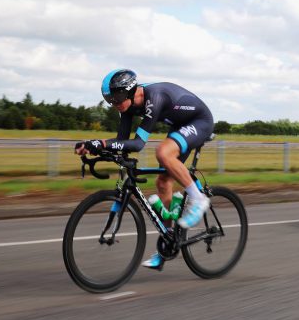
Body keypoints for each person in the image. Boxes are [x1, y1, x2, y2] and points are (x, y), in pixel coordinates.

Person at [75, 69, 214, 270]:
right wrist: (93, 146)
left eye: (116, 99)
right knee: (163, 181)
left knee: (163, 153)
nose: (115, 105)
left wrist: (101, 143)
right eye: (110, 101)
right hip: (179, 125)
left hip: (199, 121)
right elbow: (121, 142)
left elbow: (138, 144)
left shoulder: (153, 98)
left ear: (129, 91)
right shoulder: (127, 107)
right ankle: (168, 242)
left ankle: (198, 198)